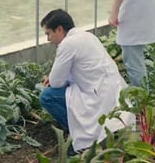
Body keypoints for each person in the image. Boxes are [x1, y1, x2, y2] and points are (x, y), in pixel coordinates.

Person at [39, 9, 135, 155]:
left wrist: (52, 80)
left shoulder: (68, 44)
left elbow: (57, 82)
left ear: (59, 29)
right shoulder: (86, 36)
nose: (48, 39)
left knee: (47, 96)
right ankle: (85, 134)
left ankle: (78, 138)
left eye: (48, 34)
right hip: (112, 93)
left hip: (97, 96)